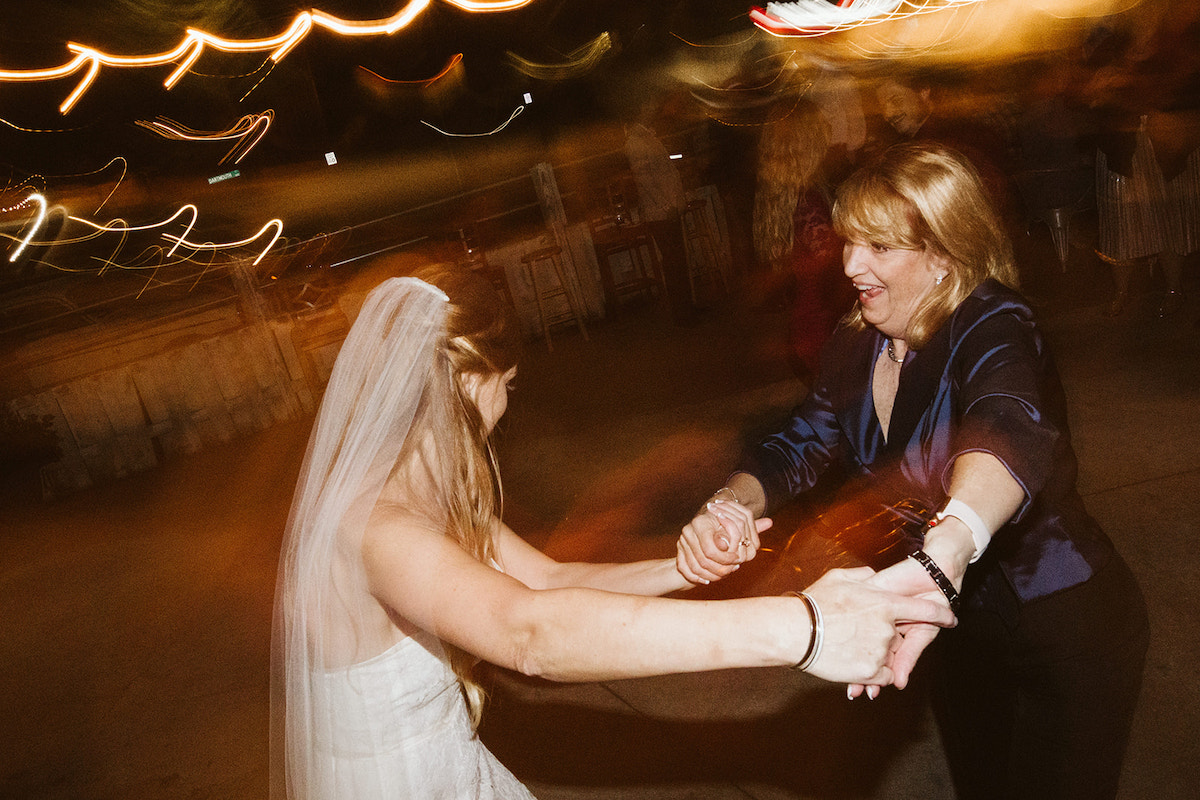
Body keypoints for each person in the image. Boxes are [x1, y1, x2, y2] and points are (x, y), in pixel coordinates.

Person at [269, 262, 957, 800]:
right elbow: (527, 633)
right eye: (506, 384)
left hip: (448, 765)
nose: (506, 407)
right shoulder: (376, 526)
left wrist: (683, 569)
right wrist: (803, 627)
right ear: (469, 380)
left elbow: (547, 578)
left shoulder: (425, 494)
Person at [678, 142, 1149, 800]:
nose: (850, 264)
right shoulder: (855, 342)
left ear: (943, 250)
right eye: (848, 242)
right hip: (949, 627)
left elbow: (1004, 428)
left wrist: (951, 542)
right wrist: (730, 503)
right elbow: (798, 442)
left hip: (1063, 629)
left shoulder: (993, 326)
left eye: (878, 247)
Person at [753, 96, 858, 380]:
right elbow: (836, 274)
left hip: (807, 324)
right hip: (825, 330)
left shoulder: (783, 195)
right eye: (822, 124)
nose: (828, 128)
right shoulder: (809, 201)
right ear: (807, 139)